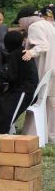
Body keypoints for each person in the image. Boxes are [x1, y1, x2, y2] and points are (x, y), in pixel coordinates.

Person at [0, 31, 39, 141]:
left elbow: (10, 76)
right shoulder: (21, 52)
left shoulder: (16, 54)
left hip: (25, 92)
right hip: (23, 90)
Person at [17, 7, 55, 143]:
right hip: (52, 68)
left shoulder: (34, 26)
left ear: (25, 19)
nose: (20, 26)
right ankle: (51, 135)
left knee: (38, 100)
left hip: (44, 69)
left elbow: (43, 45)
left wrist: (30, 53)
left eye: (19, 22)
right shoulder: (49, 24)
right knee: (51, 103)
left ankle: (34, 132)